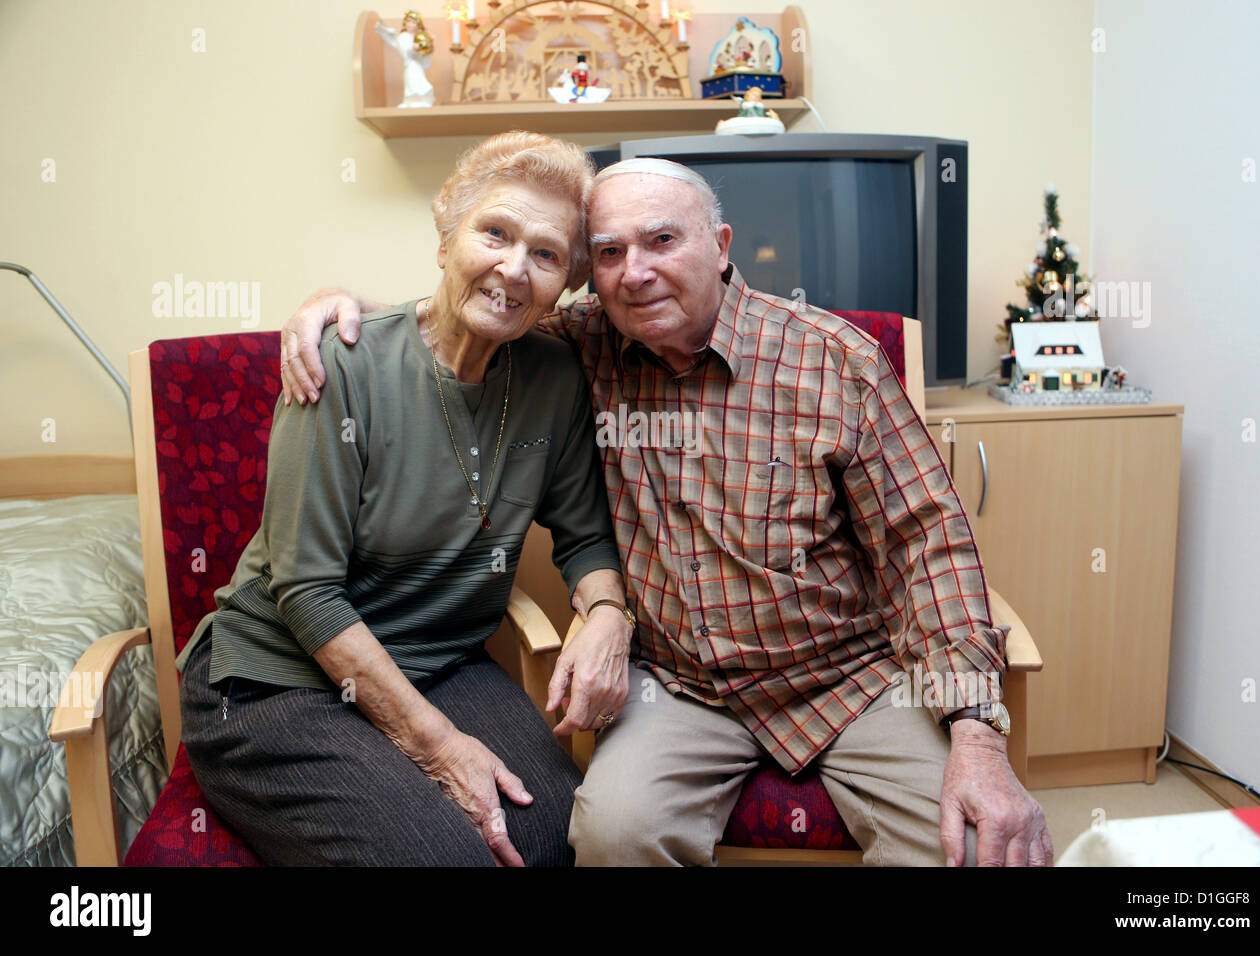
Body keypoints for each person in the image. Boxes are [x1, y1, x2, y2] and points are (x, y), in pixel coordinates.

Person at [280, 157, 1055, 867]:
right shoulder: (583, 344)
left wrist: (976, 736)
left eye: (661, 241)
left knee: (974, 844)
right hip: (679, 688)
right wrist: (349, 314)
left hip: (850, 677)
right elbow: (477, 309)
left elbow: (928, 543)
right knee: (612, 835)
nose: (635, 273)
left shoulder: (835, 362)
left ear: (720, 245)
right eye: (609, 253)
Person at [177, 131, 633, 866]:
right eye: (494, 232)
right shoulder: (343, 363)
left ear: (568, 281)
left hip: (442, 660)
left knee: (555, 841)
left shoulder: (553, 376)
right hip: (277, 679)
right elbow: (306, 590)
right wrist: (439, 748)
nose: (514, 269)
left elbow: (584, 538)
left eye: (546, 255)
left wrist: (607, 610)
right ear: (448, 231)